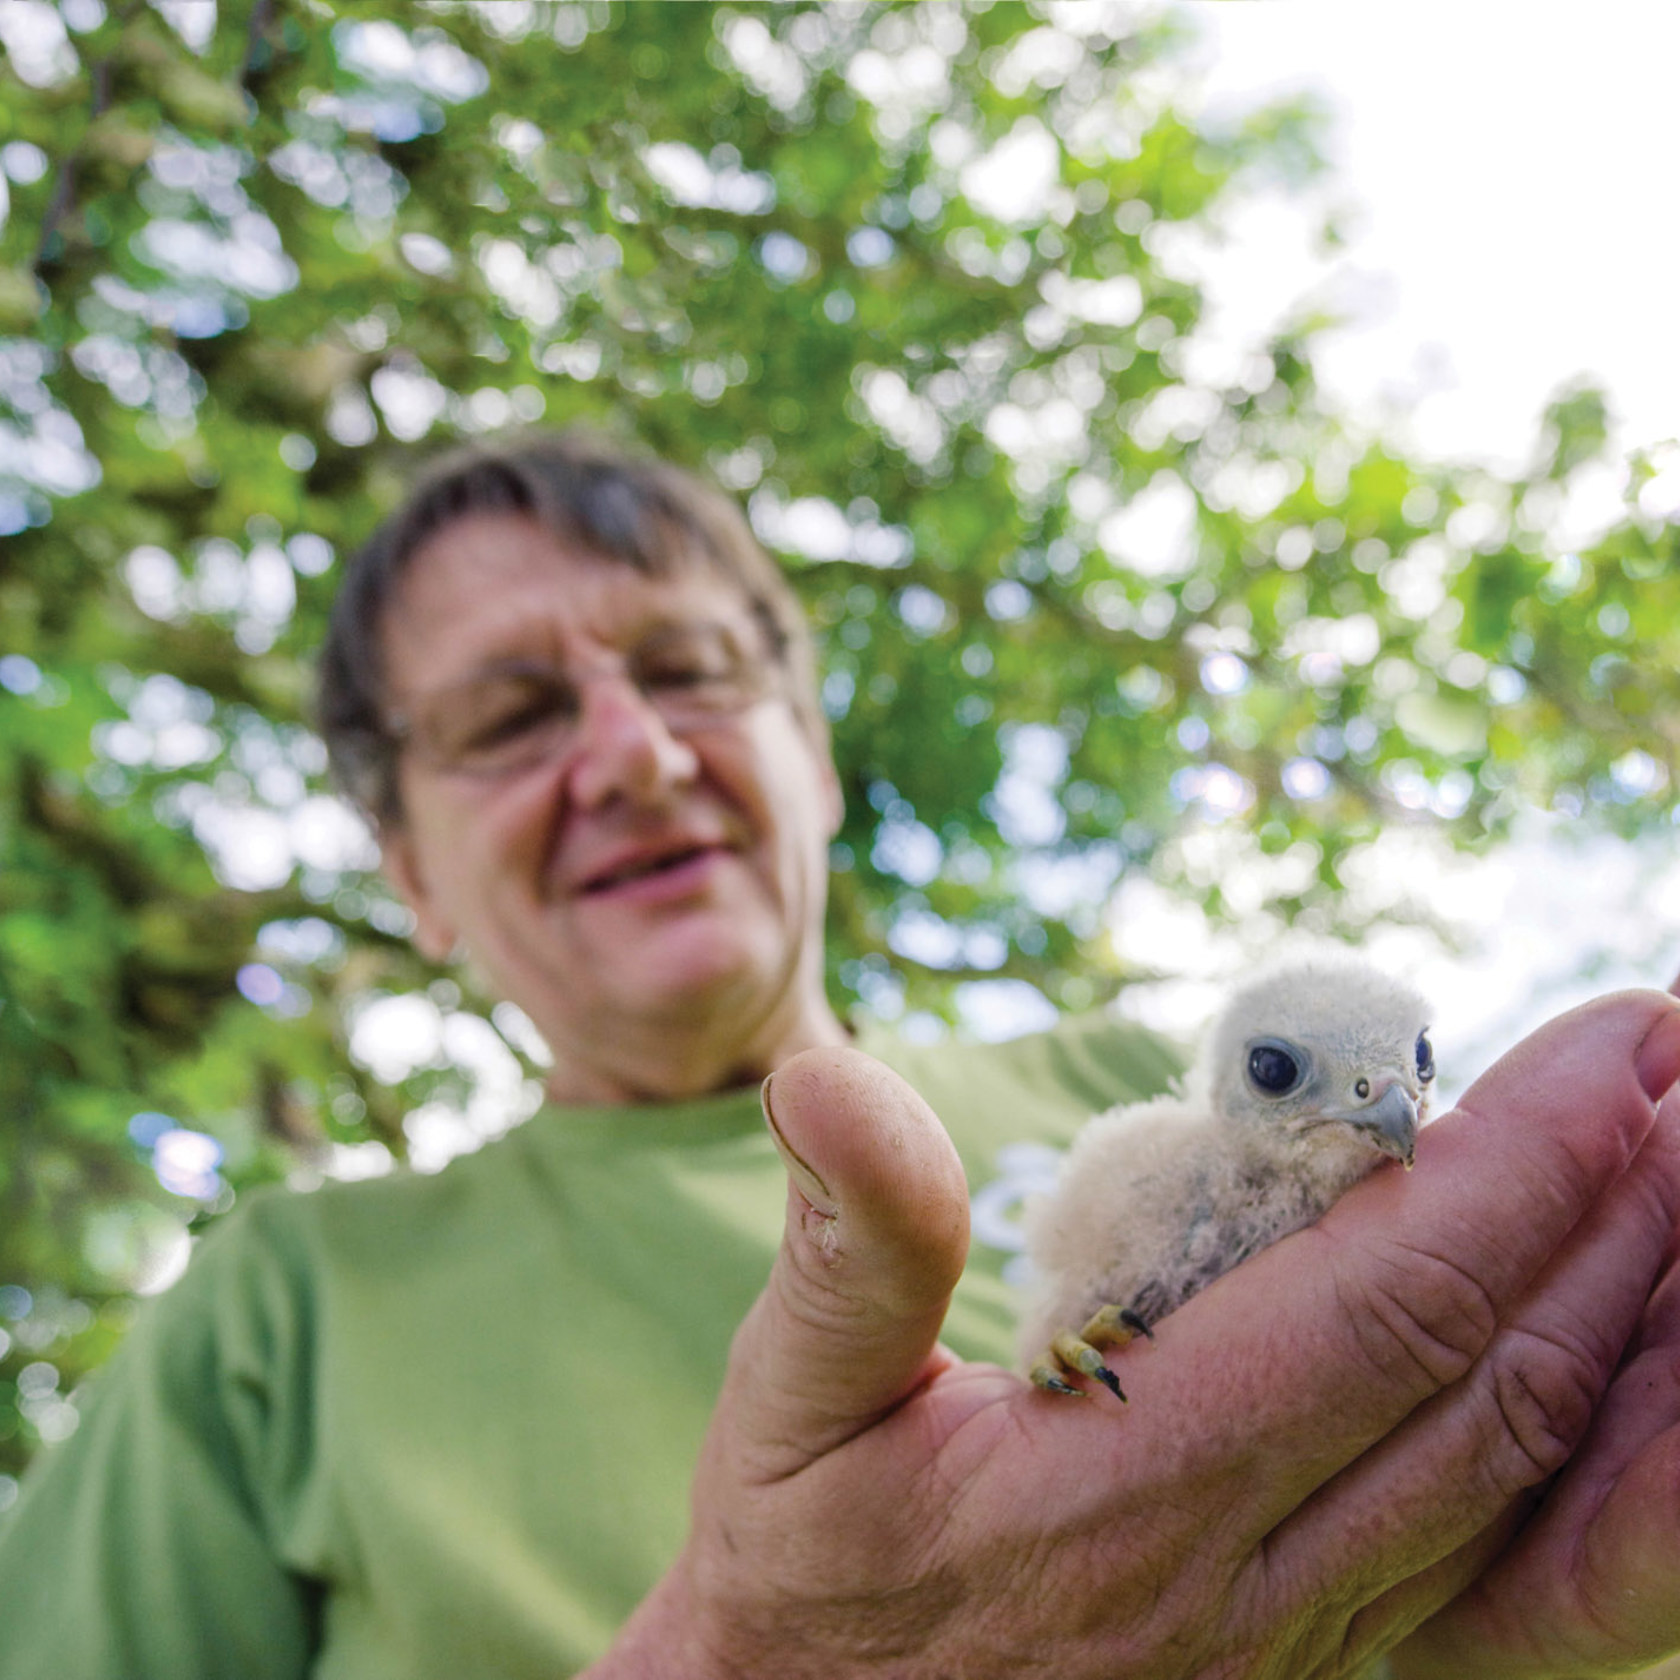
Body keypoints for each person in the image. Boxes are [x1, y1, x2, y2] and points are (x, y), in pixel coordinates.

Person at [1, 429, 1678, 1679]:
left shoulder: (1151, 1084)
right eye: (512, 719)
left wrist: (1488, 1633)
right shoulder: (280, 1313)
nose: (635, 757)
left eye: (688, 671)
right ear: (411, 877)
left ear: (811, 753)